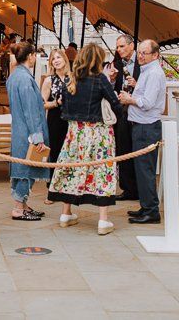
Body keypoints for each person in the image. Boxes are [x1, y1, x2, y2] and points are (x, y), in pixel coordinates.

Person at [49, 44, 124, 234]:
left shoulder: (71, 78)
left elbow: (64, 105)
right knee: (102, 171)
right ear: (98, 60)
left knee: (71, 169)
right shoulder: (100, 79)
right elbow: (115, 104)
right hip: (98, 133)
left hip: (75, 132)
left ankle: (66, 213)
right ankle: (103, 220)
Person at [119, 39, 166, 224]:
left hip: (147, 126)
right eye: (139, 52)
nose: (140, 56)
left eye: (144, 53)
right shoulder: (147, 71)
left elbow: (147, 103)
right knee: (141, 168)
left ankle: (151, 211)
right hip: (141, 124)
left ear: (155, 55)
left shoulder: (154, 73)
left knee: (145, 170)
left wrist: (129, 99)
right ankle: (146, 206)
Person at [6, 42, 51, 220]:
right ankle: (18, 208)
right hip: (29, 133)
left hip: (19, 130)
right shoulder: (25, 78)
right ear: (30, 56)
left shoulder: (14, 76)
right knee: (27, 170)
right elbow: (31, 111)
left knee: (22, 168)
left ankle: (23, 206)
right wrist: (38, 137)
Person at [110, 34, 139, 202]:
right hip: (122, 111)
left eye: (121, 46)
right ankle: (127, 188)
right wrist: (112, 80)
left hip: (138, 110)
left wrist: (136, 84)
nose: (119, 50)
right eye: (117, 47)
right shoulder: (117, 64)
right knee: (123, 148)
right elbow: (112, 87)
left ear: (131, 46)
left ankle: (139, 188)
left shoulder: (143, 62)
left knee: (138, 149)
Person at [40, 49, 72, 166]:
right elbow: (42, 104)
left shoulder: (73, 78)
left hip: (71, 120)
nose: (56, 61)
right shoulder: (49, 80)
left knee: (70, 153)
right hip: (55, 120)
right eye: (53, 59)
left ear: (65, 59)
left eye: (58, 57)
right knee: (55, 152)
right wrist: (55, 103)